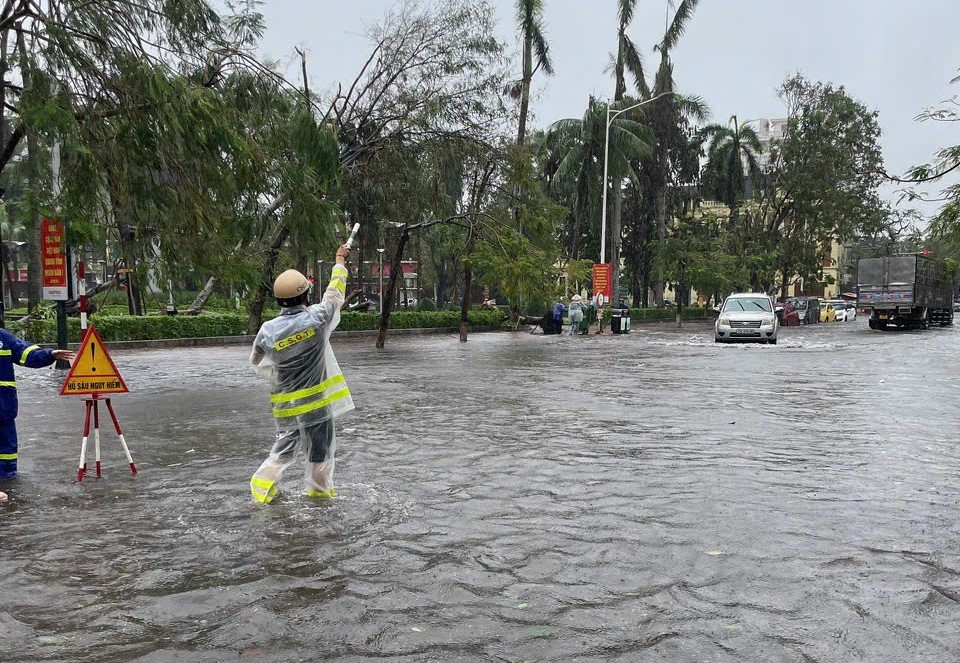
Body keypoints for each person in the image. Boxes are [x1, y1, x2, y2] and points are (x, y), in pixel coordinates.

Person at [248, 244, 355, 504]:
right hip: (316, 407)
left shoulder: (268, 330)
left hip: (285, 407)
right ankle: (319, 497)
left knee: (282, 452)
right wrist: (339, 259)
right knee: (320, 455)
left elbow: (256, 361)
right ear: (305, 295)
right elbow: (334, 293)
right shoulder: (317, 319)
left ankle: (259, 491)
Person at [0, 330, 76, 502]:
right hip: (5, 405)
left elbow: (25, 353)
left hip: (4, 406)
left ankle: (8, 482)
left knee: (7, 451)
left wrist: (49, 355)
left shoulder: (3, 338)